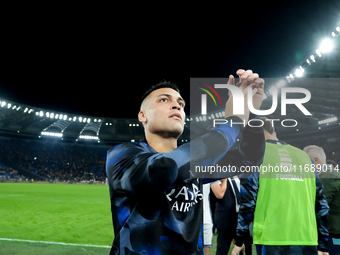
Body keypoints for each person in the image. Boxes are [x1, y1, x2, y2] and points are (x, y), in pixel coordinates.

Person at [106, 69, 266, 254]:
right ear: (143, 115)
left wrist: (252, 113)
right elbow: (165, 169)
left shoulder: (195, 161)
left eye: (180, 102)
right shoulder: (122, 155)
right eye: (164, 100)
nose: (177, 106)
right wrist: (234, 121)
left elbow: (249, 160)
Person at [232, 117, 329, 255]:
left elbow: (248, 201)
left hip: (271, 238)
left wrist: (240, 239)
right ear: (274, 132)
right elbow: (321, 204)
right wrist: (323, 244)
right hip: (306, 237)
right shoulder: (304, 157)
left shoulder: (255, 156)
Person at [303, 146, 340, 255]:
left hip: (333, 233)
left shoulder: (325, 177)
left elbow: (318, 208)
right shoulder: (333, 174)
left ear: (315, 160)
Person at [212, 177, 252, 255]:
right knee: (222, 250)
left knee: (247, 249)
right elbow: (217, 195)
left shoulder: (243, 174)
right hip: (225, 219)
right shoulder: (218, 174)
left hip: (242, 218)